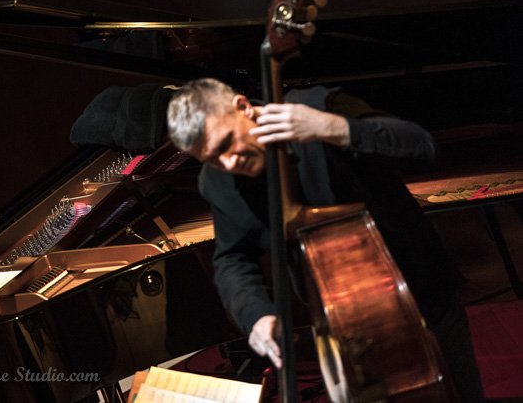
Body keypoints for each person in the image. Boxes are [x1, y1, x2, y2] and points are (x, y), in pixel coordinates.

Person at [166, 78, 485, 402]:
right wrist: (257, 315)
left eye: (226, 144)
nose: (228, 164)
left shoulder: (316, 108)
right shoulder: (218, 181)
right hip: (336, 317)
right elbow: (232, 257)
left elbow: (421, 146)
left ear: (244, 108)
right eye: (211, 158)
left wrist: (333, 128)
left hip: (416, 290)